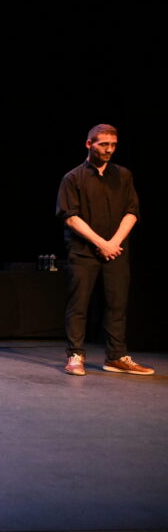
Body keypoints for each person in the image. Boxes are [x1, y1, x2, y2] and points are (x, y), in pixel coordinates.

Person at [56, 123, 154, 376]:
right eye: (103, 144)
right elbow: (70, 217)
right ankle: (75, 355)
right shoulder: (73, 178)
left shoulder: (123, 175)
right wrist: (102, 243)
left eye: (113, 145)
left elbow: (132, 211)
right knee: (79, 304)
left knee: (117, 304)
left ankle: (116, 356)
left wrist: (114, 243)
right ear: (89, 144)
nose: (109, 150)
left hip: (116, 251)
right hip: (83, 251)